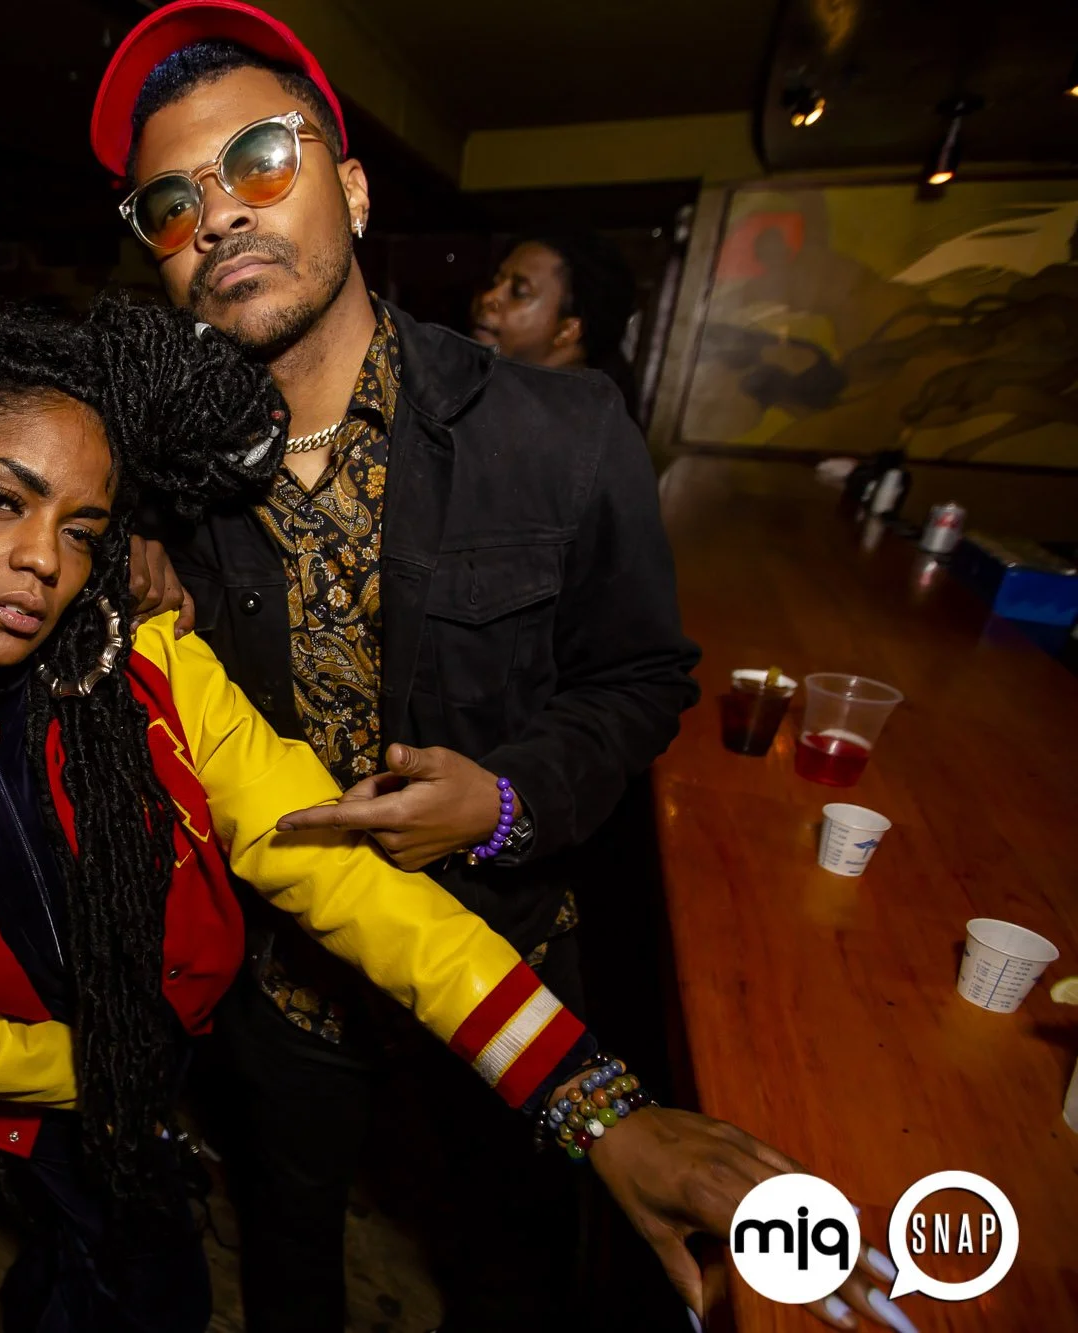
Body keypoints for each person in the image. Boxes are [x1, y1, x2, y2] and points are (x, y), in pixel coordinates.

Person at [0, 298, 897, 1333]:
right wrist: (113, 1072)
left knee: (160, 1272)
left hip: (165, 1072)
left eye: (83, 530)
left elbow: (344, 870)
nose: (42, 561)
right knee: (99, 1277)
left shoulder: (148, 663)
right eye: (1, 499)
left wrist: (593, 1105)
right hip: (33, 1108)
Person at [89, 6, 914, 1331]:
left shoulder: (561, 431)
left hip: (503, 954)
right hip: (279, 983)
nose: (220, 214)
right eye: (172, 203)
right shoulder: (155, 474)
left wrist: (505, 799)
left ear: (354, 190)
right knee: (288, 1266)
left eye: (259, 160)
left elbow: (640, 677)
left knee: (511, 1279)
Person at [474, 231, 639, 406]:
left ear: (567, 330)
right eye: (495, 283)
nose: (488, 298)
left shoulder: (570, 416)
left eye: (519, 292)